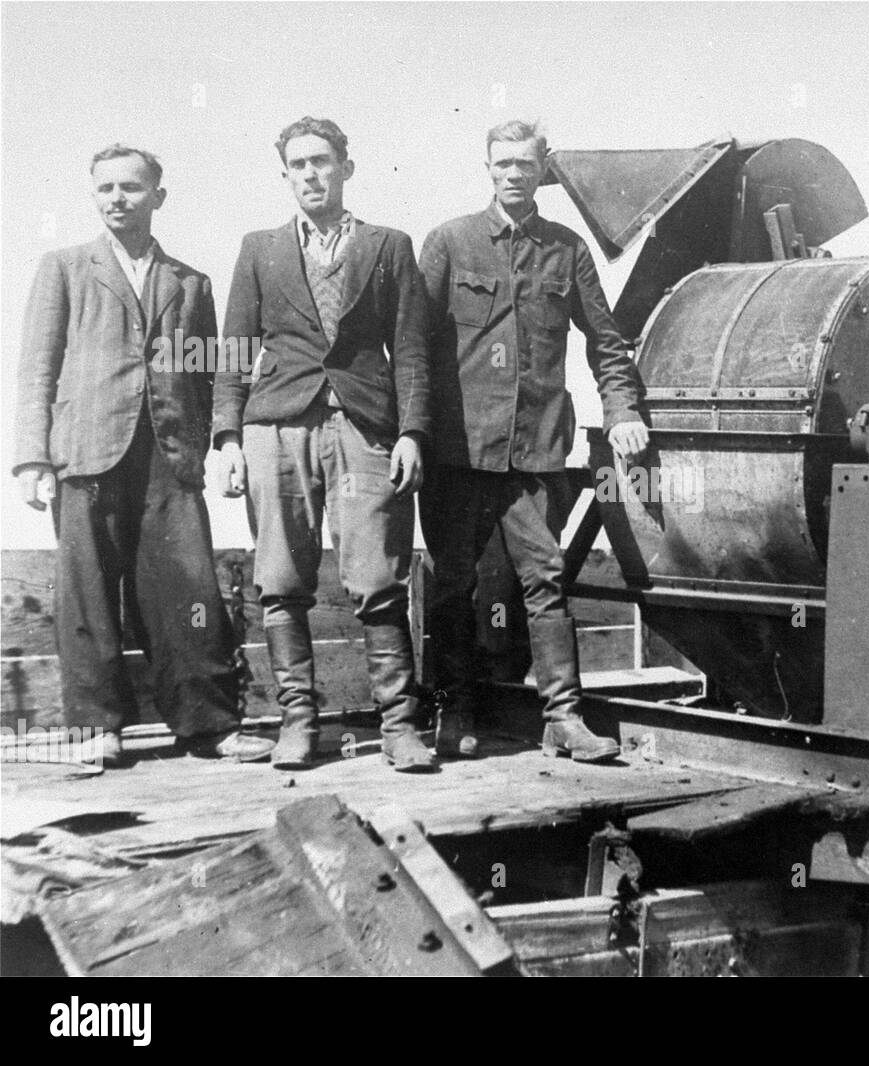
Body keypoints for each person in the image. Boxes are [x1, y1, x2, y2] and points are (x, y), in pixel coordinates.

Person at [11, 144, 273, 767]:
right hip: (86, 453)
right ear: (93, 194)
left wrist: (220, 441)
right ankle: (97, 729)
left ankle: (207, 724)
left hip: (168, 455)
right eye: (105, 188)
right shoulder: (65, 267)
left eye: (131, 187)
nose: (117, 199)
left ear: (158, 196)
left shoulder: (191, 282)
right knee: (88, 592)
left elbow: (214, 370)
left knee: (189, 587)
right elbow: (37, 369)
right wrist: (32, 458)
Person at [418, 119, 649, 763]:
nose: (513, 174)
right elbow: (412, 348)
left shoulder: (567, 250)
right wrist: (411, 435)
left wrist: (623, 408)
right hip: (457, 454)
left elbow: (606, 342)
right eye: (502, 164)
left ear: (543, 168)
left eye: (524, 163)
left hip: (535, 452)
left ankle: (564, 719)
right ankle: (454, 710)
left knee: (546, 578)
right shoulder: (448, 243)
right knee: (453, 583)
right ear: (487, 169)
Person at [214, 117, 435, 772]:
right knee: (280, 578)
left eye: (322, 161)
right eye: (298, 165)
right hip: (276, 428)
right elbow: (232, 351)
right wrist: (228, 438)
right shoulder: (261, 249)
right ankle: (297, 722)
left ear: (346, 167)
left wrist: (412, 432)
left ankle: (400, 727)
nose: (311, 174)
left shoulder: (389, 247)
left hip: (365, 428)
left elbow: (413, 352)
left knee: (376, 578)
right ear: (285, 174)